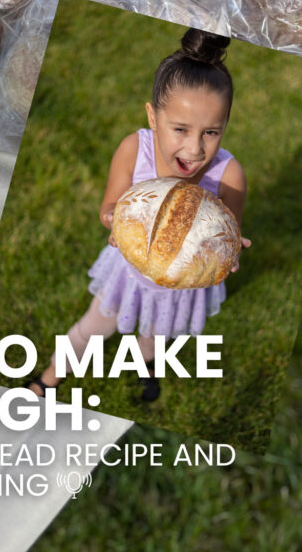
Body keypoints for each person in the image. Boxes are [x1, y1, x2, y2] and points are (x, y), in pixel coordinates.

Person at [29, 28, 250, 402]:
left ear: (226, 125)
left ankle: (146, 363)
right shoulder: (135, 150)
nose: (195, 148)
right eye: (180, 129)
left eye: (211, 132)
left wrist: (231, 250)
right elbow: (109, 207)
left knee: (156, 334)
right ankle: (51, 376)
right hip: (127, 276)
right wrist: (114, 219)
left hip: (178, 288)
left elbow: (228, 233)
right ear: (153, 116)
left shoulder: (229, 176)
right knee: (91, 330)